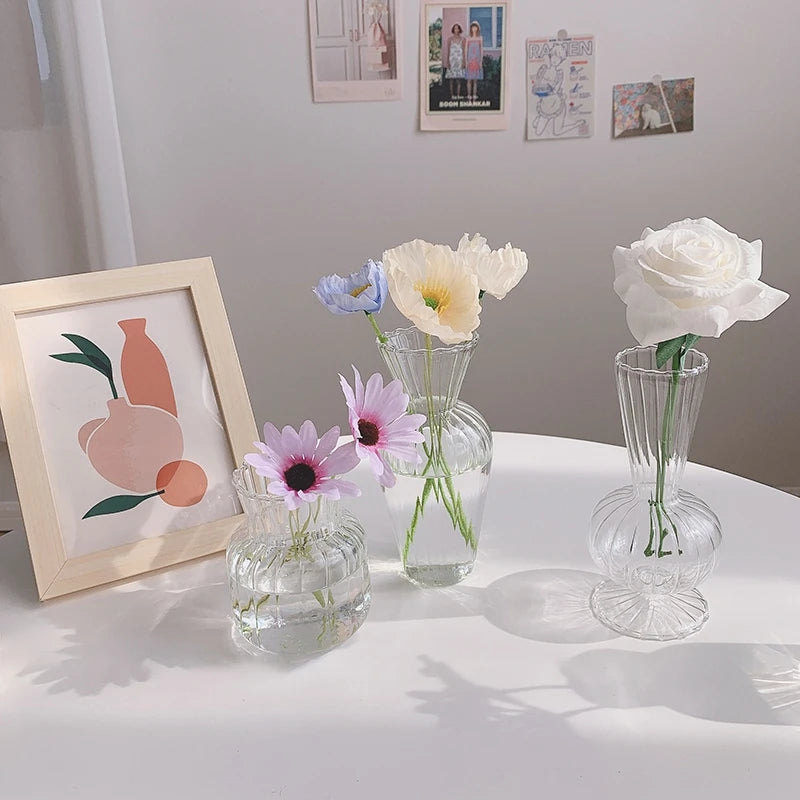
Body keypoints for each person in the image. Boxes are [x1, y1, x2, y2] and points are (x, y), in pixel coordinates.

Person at [442, 23, 465, 99]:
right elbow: (448, 51)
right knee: (451, 80)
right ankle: (452, 96)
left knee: (458, 80)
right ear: (453, 30)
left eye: (457, 28)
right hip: (452, 61)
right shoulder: (449, 39)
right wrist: (447, 62)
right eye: (455, 28)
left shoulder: (463, 39)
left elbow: (464, 51)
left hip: (459, 61)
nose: (456, 30)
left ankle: (457, 96)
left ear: (459, 30)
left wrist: (464, 62)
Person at [465, 22, 484, 102]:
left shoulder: (480, 38)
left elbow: (481, 50)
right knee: (469, 80)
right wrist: (466, 61)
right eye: (473, 27)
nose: (474, 29)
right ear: (471, 28)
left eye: (475, 27)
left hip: (476, 61)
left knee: (475, 81)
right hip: (469, 61)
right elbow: (466, 50)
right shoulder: (468, 38)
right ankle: (469, 97)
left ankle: (474, 97)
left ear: (478, 28)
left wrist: (481, 61)